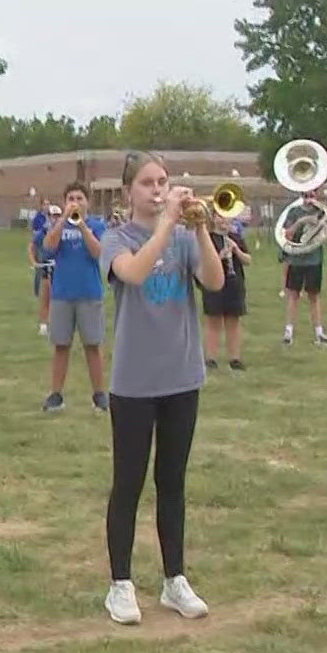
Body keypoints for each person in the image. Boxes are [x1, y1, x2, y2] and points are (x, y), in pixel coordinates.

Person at [98, 150, 223, 625]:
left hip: (182, 376)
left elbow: (213, 281)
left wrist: (203, 228)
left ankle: (175, 580)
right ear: (129, 190)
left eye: (163, 181)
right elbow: (131, 273)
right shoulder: (115, 238)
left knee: (172, 482)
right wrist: (167, 225)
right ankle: (121, 585)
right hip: (133, 382)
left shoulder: (188, 235)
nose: (157, 189)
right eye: (148, 183)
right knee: (128, 483)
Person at [38, 182, 108, 413]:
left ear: (88, 202)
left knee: (92, 345)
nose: (75, 202)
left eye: (79, 198)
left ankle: (100, 395)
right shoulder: (58, 225)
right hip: (62, 294)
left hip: (89, 293)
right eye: (71, 198)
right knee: (61, 345)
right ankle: (56, 395)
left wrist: (83, 227)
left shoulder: (97, 225)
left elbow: (99, 253)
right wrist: (62, 221)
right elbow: (48, 247)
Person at [279, 192, 327, 346]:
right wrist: (302, 221)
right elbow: (287, 234)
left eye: (312, 195)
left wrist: (325, 217)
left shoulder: (320, 211)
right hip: (296, 260)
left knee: (314, 297)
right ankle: (288, 333)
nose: (309, 198)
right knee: (293, 296)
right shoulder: (294, 211)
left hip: (314, 260)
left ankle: (319, 333)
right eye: (305, 195)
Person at [199, 219, 251, 372]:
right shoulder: (207, 238)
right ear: (214, 218)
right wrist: (220, 257)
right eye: (220, 217)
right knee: (213, 321)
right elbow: (201, 262)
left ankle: (235, 359)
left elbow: (248, 260)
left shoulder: (235, 237)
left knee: (233, 322)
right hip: (213, 284)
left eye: (226, 217)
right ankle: (211, 359)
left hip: (234, 284)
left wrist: (236, 250)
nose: (223, 221)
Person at [29, 205, 54, 336]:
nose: (54, 218)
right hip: (47, 264)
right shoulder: (43, 232)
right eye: (52, 215)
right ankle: (43, 325)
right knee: (46, 296)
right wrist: (34, 261)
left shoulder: (63, 229)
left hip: (60, 266)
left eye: (57, 215)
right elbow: (32, 246)